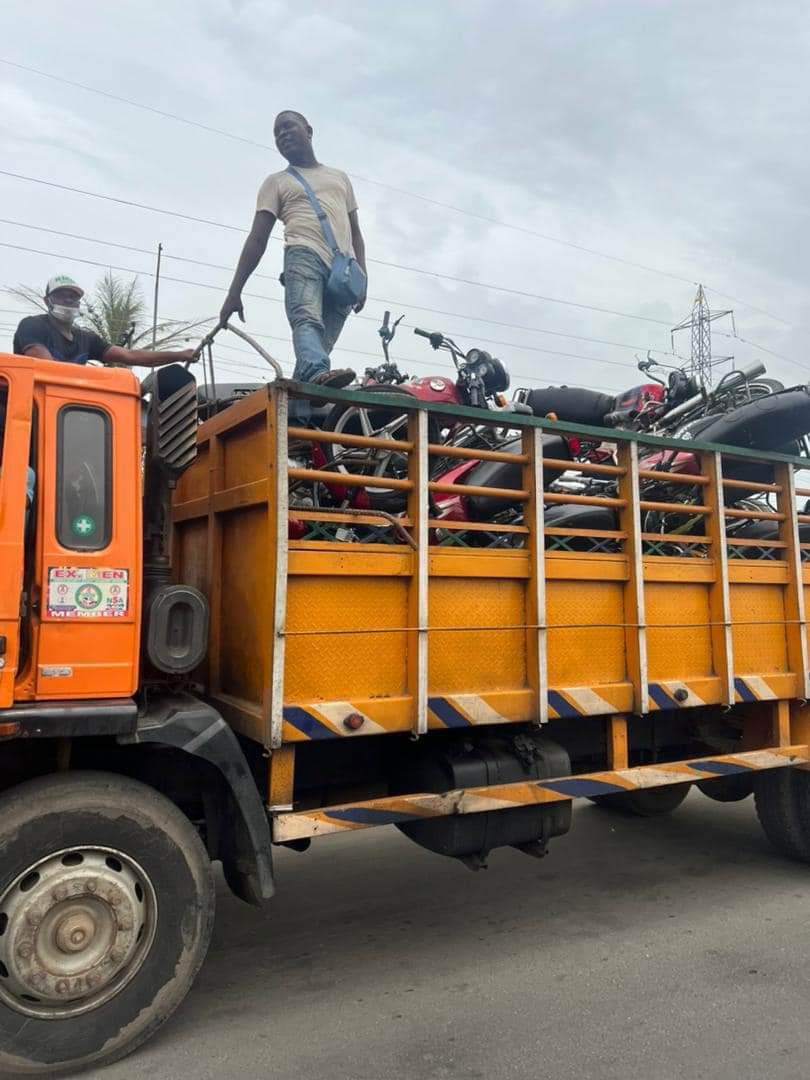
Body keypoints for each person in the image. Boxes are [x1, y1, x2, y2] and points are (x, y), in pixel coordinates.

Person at [219, 109, 367, 387]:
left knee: (320, 346)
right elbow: (257, 238)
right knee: (306, 320)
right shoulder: (276, 182)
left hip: (344, 270)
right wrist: (234, 292)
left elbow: (356, 233)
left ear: (308, 130)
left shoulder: (339, 178)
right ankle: (313, 372)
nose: (283, 134)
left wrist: (364, 276)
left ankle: (297, 410)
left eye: (288, 127)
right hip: (302, 256)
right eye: (277, 133)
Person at [13, 274, 196, 368]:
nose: (68, 300)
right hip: (30, 410)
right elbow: (46, 367)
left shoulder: (87, 339)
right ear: (47, 301)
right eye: (61, 296)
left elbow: (129, 356)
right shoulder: (32, 325)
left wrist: (179, 355)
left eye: (73, 297)